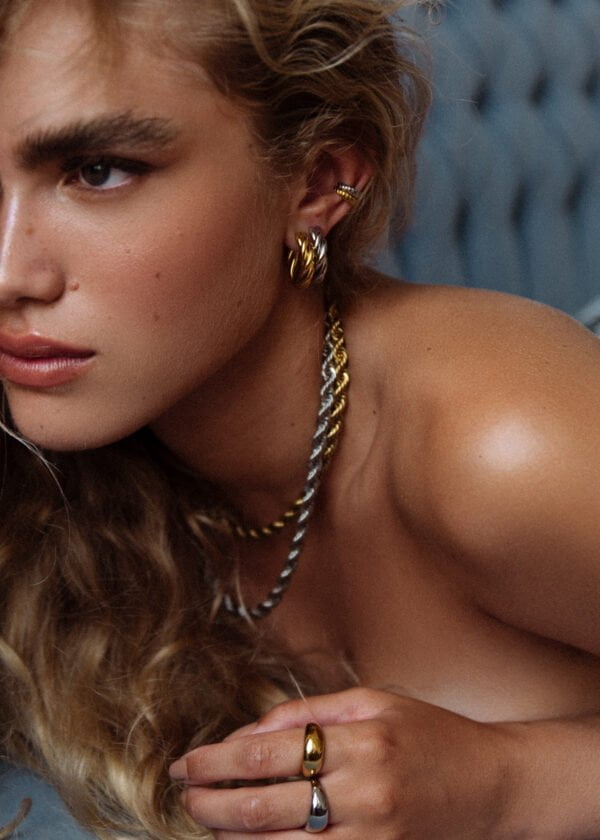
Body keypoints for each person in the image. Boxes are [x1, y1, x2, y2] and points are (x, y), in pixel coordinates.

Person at [1, 0, 600, 838]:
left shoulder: (502, 445)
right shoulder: (50, 466)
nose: (9, 273)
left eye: (98, 171)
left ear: (318, 183)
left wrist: (511, 783)